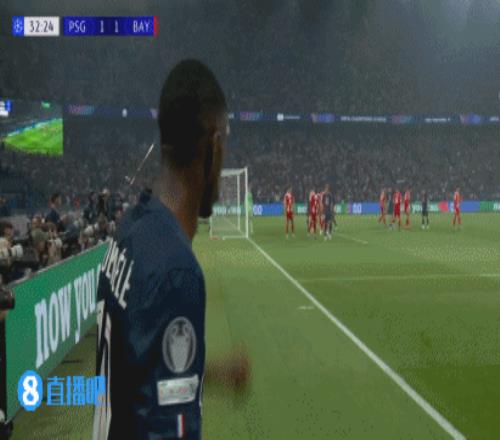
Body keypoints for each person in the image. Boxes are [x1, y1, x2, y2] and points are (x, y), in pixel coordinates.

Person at [93, 59, 249, 440]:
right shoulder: (175, 272)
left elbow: (141, 365)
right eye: (225, 142)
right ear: (213, 145)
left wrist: (207, 373)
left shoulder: (130, 231)